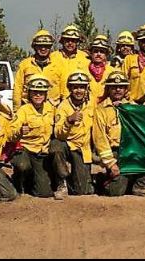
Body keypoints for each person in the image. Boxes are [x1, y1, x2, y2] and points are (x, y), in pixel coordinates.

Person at [9, 75, 56, 198]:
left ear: (46, 95)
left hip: (41, 152)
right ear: (29, 94)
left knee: (44, 193)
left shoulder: (51, 109)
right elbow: (11, 132)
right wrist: (19, 131)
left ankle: (33, 180)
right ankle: (18, 180)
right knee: (23, 166)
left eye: (41, 93)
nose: (38, 95)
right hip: (25, 150)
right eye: (34, 92)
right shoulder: (23, 110)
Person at [52, 71, 96, 200]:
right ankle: (61, 182)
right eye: (75, 87)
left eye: (82, 87)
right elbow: (58, 133)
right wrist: (68, 121)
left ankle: (77, 178)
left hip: (83, 148)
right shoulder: (63, 107)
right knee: (56, 147)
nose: (78, 90)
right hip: (67, 144)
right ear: (70, 88)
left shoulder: (91, 103)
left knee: (82, 191)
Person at [92, 71, 132, 196]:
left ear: (126, 90)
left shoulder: (134, 107)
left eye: (121, 87)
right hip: (114, 152)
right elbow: (100, 140)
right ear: (108, 89)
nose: (117, 90)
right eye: (114, 87)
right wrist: (111, 163)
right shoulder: (100, 110)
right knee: (115, 192)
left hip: (132, 152)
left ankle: (136, 183)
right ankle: (103, 179)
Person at [13, 29, 64, 110]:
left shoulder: (58, 65)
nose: (43, 49)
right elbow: (17, 90)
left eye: (46, 46)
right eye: (40, 46)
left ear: (50, 47)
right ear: (34, 46)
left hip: (52, 110)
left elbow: (64, 91)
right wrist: (17, 110)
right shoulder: (24, 65)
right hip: (29, 110)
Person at [84, 35, 118, 104]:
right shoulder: (83, 70)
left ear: (106, 54)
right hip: (87, 108)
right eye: (96, 51)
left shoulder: (113, 72)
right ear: (91, 53)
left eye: (102, 52)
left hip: (105, 109)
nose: (98, 54)